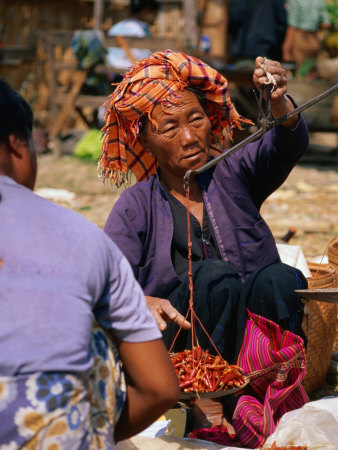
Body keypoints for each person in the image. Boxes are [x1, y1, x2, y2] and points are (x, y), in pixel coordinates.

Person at [98, 50, 309, 443]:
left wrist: (280, 101)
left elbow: (284, 143)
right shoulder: (136, 204)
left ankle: (265, 397)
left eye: (196, 119)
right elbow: (107, 283)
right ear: (145, 137)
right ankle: (206, 407)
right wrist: (141, 300)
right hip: (179, 353)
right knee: (214, 278)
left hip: (250, 344)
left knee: (281, 278)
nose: (190, 137)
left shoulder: (233, 172)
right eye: (170, 127)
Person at [0, 79, 179, 449]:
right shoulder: (87, 232)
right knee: (98, 324)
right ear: (17, 144)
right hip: (50, 431)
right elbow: (161, 389)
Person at [106, 0, 159, 69]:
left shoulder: (117, 26)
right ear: (146, 11)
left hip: (111, 68)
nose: (155, 18)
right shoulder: (140, 30)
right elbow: (145, 57)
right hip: (130, 70)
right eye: (154, 14)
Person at [282, 0, 331, 75]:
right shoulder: (320, 1)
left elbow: (292, 26)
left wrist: (286, 49)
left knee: (298, 74)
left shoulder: (294, 1)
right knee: (307, 74)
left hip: (299, 38)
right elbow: (326, 24)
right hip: (314, 40)